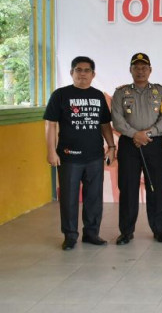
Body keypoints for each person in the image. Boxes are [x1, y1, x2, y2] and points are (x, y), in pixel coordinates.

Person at [44, 56, 115, 250]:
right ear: (71, 72)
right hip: (69, 157)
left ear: (93, 74)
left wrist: (111, 147)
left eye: (86, 70)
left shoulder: (98, 96)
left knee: (94, 198)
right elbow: (50, 124)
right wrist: (51, 151)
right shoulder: (60, 95)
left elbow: (104, 124)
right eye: (78, 70)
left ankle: (91, 233)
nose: (82, 74)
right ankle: (70, 236)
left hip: (94, 157)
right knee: (69, 199)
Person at [111, 53, 162, 245]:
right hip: (129, 146)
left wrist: (148, 133)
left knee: (156, 188)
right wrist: (135, 135)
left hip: (153, 144)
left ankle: (159, 229)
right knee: (128, 188)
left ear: (150, 70)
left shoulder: (161, 92)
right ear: (130, 70)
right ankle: (126, 232)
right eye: (136, 68)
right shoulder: (120, 93)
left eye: (144, 68)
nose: (140, 71)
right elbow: (117, 120)